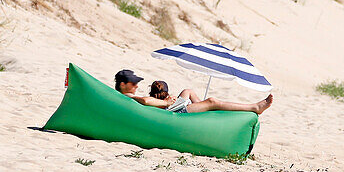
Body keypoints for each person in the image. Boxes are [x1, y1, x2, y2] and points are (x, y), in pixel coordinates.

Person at [113, 69, 273, 114]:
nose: (136, 86)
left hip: (170, 107)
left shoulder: (128, 95)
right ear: (123, 84)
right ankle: (254, 107)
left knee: (187, 91)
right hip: (173, 111)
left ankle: (204, 111)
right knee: (212, 101)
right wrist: (166, 102)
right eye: (133, 83)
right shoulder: (128, 95)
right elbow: (147, 101)